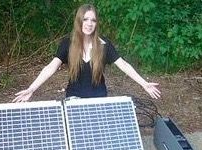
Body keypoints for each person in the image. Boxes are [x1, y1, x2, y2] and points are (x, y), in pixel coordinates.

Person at [13, 3, 160, 102]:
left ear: (96, 23)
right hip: (73, 98)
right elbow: (50, 67)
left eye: (93, 20)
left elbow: (124, 65)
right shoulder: (67, 43)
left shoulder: (104, 44)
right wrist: (31, 88)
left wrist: (144, 83)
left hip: (99, 98)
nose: (89, 24)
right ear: (79, 21)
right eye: (85, 19)